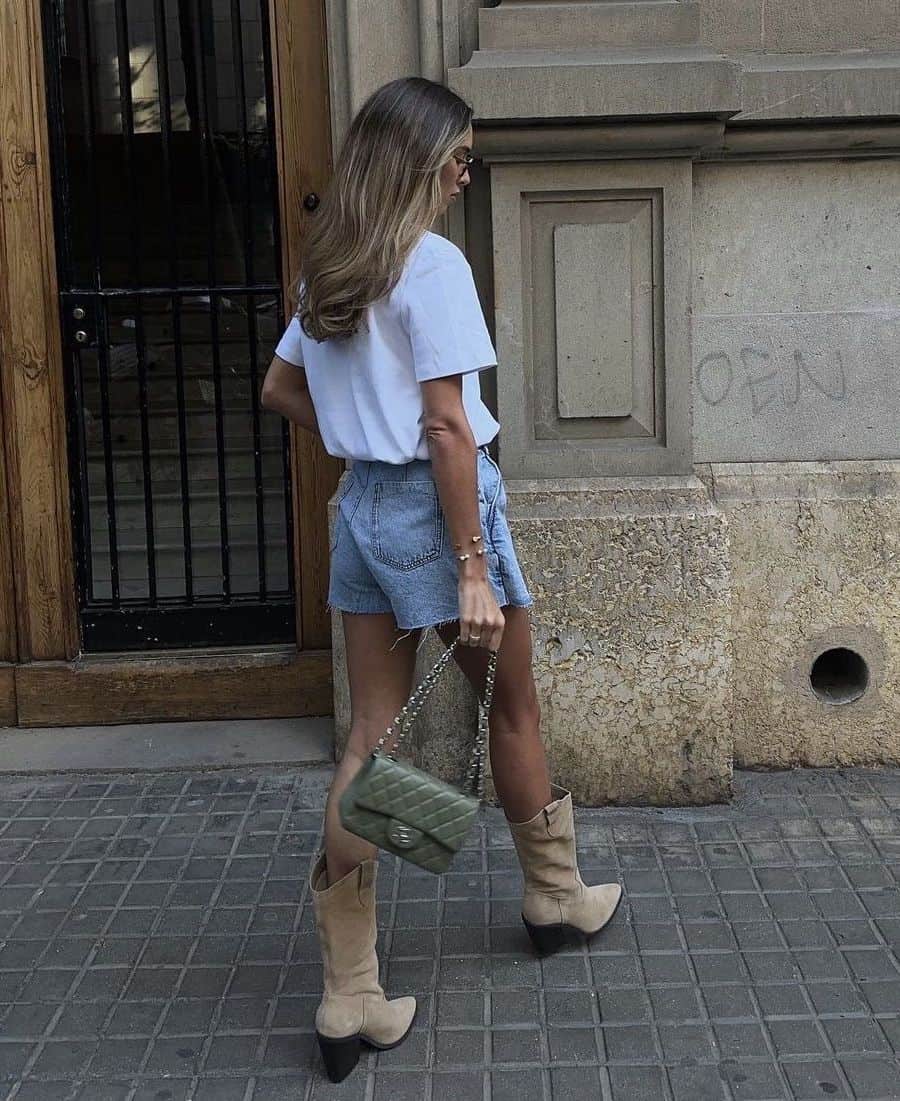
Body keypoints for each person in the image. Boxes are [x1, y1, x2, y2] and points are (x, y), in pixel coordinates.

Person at [260, 75, 623, 1084]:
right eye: (458, 157)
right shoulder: (432, 267)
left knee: (374, 734)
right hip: (439, 507)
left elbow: (278, 386)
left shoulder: (332, 263)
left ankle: (350, 996)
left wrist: (355, 439)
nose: (468, 173)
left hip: (365, 510)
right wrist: (472, 563)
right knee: (511, 709)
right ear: (418, 158)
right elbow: (451, 428)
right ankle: (553, 898)